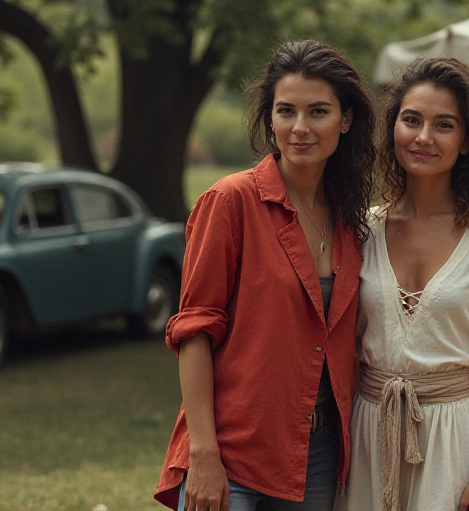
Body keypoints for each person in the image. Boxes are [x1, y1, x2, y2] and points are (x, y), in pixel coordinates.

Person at [152, 39, 376, 511]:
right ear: (269, 118)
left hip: (316, 452)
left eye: (318, 112)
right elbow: (194, 331)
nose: (300, 128)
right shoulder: (231, 201)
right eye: (285, 111)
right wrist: (204, 455)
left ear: (346, 119)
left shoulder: (350, 220)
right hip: (232, 450)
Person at [335, 57, 469, 511]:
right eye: (411, 120)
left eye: (444, 125)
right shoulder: (364, 229)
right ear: (393, 129)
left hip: (451, 435)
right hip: (370, 427)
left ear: (466, 141)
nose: (423, 137)